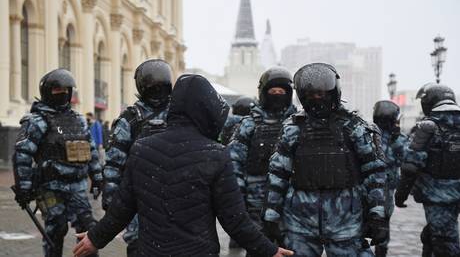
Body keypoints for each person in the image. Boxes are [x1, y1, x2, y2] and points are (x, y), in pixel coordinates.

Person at [73, 74, 293, 257]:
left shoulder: (142, 149)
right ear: (206, 110)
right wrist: (269, 251)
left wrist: (95, 238)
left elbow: (122, 208)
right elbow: (235, 220)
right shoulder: (216, 155)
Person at [261, 63, 388, 256]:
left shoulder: (354, 127)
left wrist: (378, 215)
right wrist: (270, 216)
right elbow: (278, 174)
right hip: (299, 223)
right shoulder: (293, 128)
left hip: (346, 222)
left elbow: (375, 173)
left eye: (321, 93)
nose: (316, 99)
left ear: (333, 91)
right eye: (311, 94)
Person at [12, 68, 103, 257]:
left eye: (66, 90)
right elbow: (22, 154)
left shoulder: (78, 119)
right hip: (50, 187)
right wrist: (24, 187)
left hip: (78, 186)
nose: (62, 94)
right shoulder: (37, 120)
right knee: (56, 230)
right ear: (47, 92)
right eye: (57, 90)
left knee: (88, 230)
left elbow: (91, 150)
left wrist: (97, 177)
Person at [102, 59, 171, 257]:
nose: (157, 91)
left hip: (174, 193)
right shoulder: (130, 119)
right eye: (153, 86)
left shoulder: (180, 114)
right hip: (138, 196)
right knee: (138, 244)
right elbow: (114, 163)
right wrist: (111, 200)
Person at [228, 67, 296, 248]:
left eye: (281, 92)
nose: (277, 95)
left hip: (291, 204)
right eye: (273, 92)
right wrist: (239, 199)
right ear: (263, 93)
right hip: (256, 203)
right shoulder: (249, 124)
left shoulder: (298, 123)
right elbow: (234, 163)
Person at [395, 83, 460, 257]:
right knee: (433, 235)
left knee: (444, 243)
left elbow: (410, 167)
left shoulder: (427, 127)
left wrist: (400, 194)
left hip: (436, 196)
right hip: (456, 194)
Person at [372, 100, 409, 257]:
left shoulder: (367, 134)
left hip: (370, 186)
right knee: (383, 224)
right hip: (386, 189)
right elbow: (407, 161)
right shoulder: (399, 139)